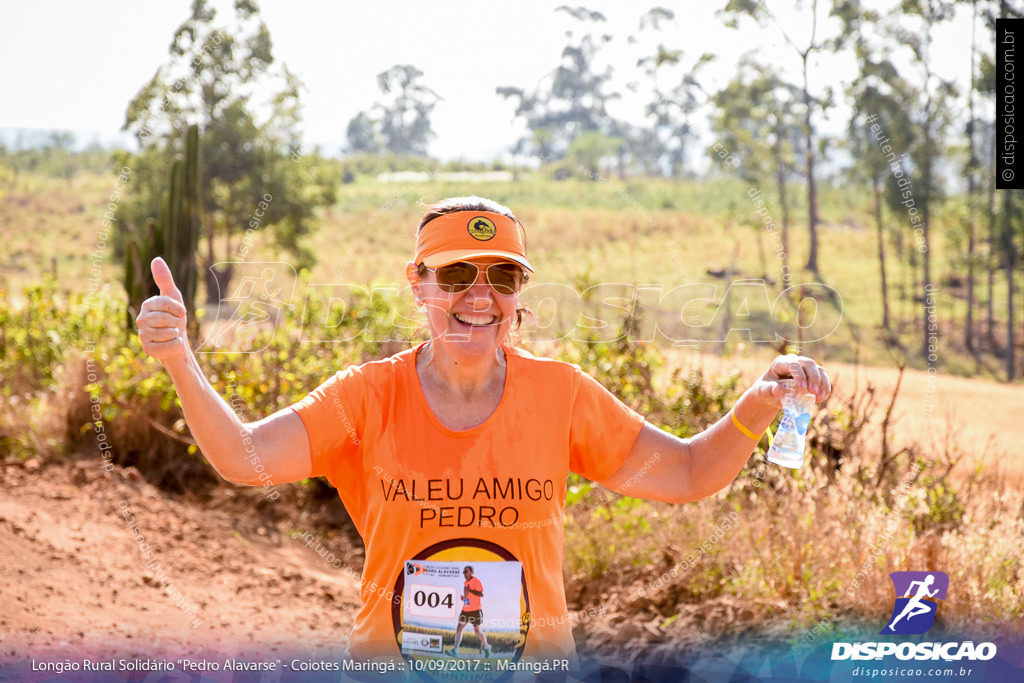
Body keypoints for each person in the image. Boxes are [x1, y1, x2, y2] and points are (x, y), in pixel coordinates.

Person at [135, 195, 831, 663]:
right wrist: (179, 359)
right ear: (419, 284)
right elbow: (244, 456)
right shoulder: (366, 396)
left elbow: (684, 472)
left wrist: (758, 402)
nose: (480, 294)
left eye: (503, 275)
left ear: (520, 292)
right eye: (457, 273)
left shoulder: (560, 395)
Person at [447, 566, 489, 658]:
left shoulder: (476, 581)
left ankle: (486, 648)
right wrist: (464, 598)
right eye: (463, 572)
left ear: (472, 572)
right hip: (466, 610)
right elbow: (469, 596)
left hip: (475, 610)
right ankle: (455, 650)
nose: (464, 574)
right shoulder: (466, 583)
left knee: (477, 631)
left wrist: (470, 590)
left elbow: (481, 594)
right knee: (459, 628)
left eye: (466, 571)